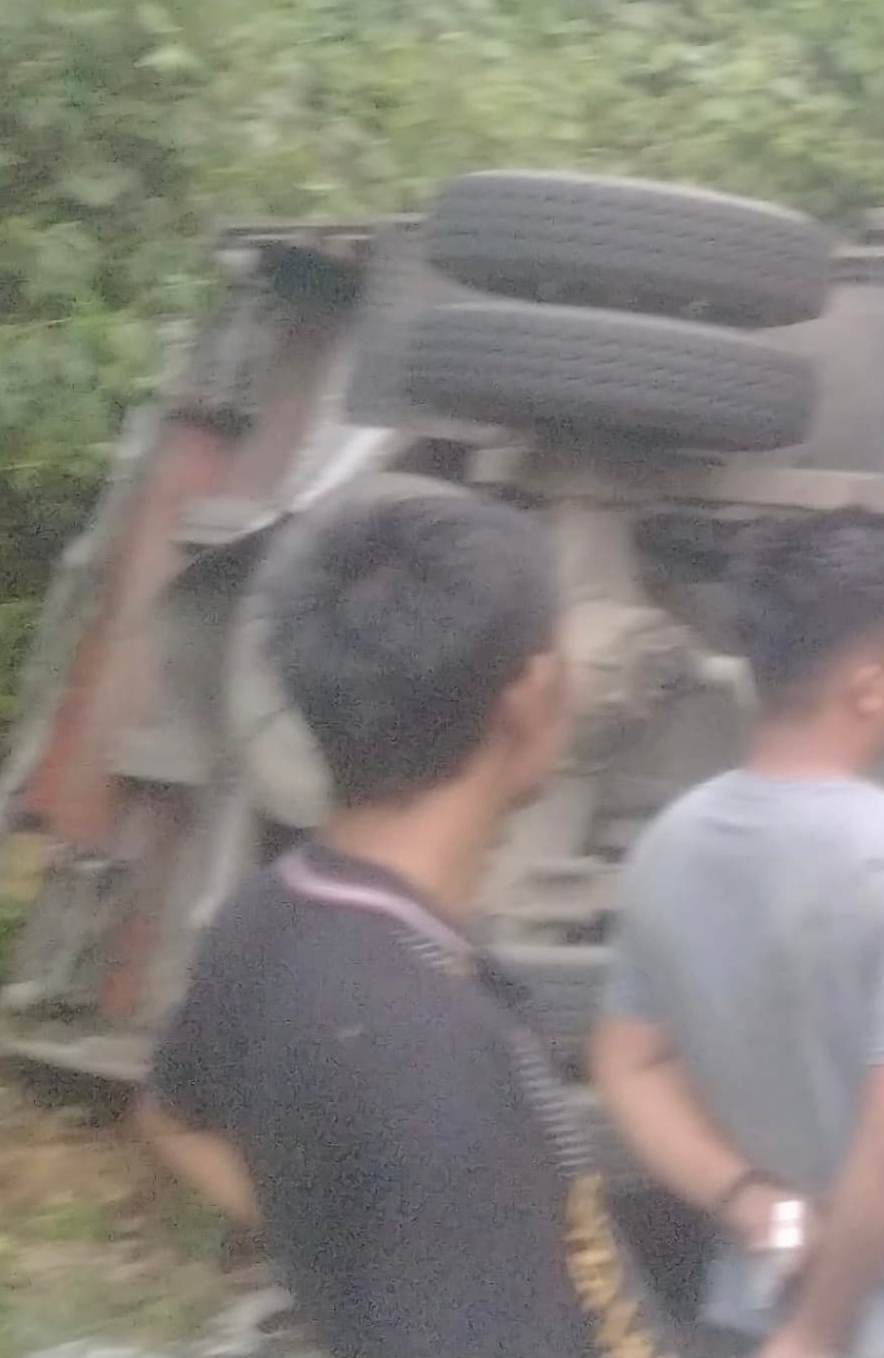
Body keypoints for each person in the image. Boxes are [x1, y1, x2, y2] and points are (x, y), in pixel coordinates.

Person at [138, 482, 666, 1358]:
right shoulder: (433, 1042)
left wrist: (339, 1260)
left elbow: (173, 1120)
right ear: (530, 694)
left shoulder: (263, 917)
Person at [593, 514, 884, 1358]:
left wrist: (746, 1199)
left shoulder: (670, 845)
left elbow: (628, 1065)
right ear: (869, 686)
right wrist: (817, 1333)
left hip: (756, 1305)